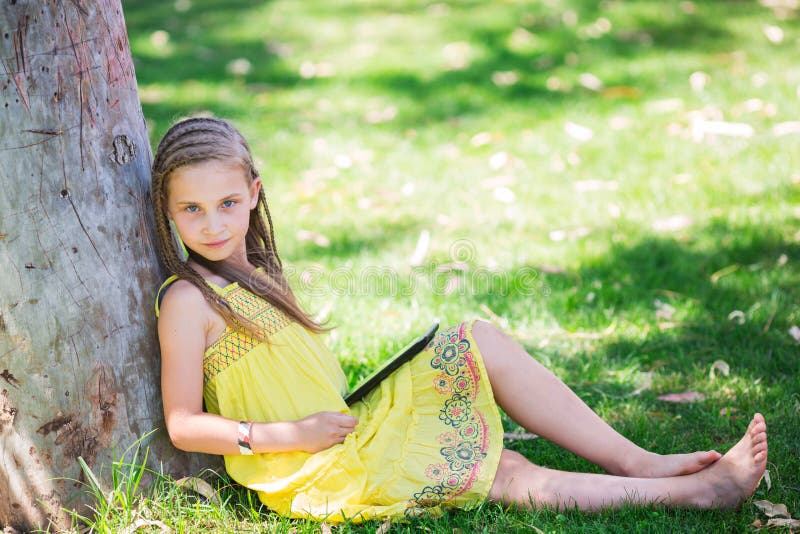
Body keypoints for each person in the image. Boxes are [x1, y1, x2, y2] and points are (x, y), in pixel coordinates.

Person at [151, 117, 768, 521]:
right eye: (193, 209)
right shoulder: (188, 300)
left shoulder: (257, 271)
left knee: (480, 341)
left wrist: (333, 416)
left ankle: (636, 460)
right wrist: (287, 437)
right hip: (315, 464)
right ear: (169, 212)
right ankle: (694, 493)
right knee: (501, 471)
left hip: (346, 426)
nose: (213, 224)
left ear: (255, 193)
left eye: (228, 202)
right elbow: (182, 424)